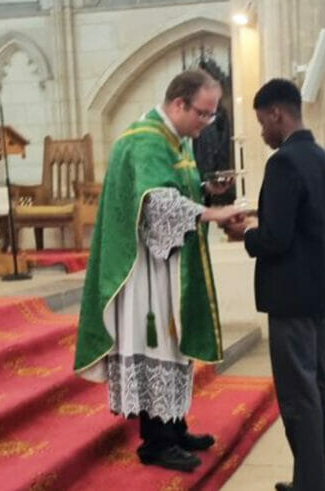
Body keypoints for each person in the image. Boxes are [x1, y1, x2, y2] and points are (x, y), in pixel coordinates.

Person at [74, 69, 242, 473]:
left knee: (173, 345)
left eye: (212, 115)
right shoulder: (146, 140)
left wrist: (205, 192)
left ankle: (175, 427)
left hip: (165, 263)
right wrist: (214, 213)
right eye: (203, 113)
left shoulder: (172, 139)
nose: (207, 123)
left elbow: (174, 190)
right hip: (144, 270)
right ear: (179, 103)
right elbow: (156, 203)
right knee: (157, 347)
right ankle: (156, 443)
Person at [225, 79, 325, 491]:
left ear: (277, 113)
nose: (262, 132)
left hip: (291, 299)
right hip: (320, 295)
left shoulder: (284, 163)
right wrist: (262, 220)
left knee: (298, 398)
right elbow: (307, 222)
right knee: (319, 388)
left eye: (262, 122)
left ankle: (310, 486)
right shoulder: (322, 160)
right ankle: (323, 480)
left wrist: (244, 234)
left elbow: (275, 239)